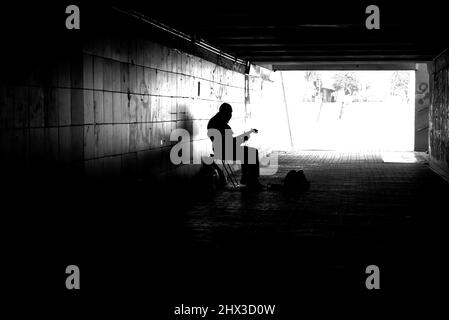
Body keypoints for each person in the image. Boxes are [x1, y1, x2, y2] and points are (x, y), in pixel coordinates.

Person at [207, 103, 263, 189]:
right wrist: (243, 139)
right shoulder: (223, 125)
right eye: (229, 114)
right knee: (252, 152)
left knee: (246, 151)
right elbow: (230, 143)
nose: (230, 117)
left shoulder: (213, 122)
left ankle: (246, 178)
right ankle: (252, 180)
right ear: (225, 113)